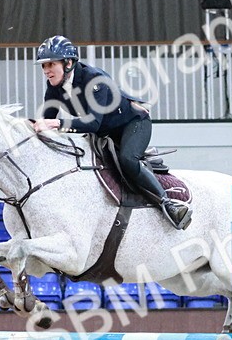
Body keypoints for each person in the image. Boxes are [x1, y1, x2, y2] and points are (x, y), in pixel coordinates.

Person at [31, 35, 192, 230]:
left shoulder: (94, 79)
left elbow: (92, 123)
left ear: (68, 63)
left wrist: (56, 123)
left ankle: (168, 204)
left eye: (51, 64)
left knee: (127, 160)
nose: (46, 70)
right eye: (43, 65)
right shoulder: (54, 86)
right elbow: (45, 121)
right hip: (105, 132)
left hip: (133, 124)